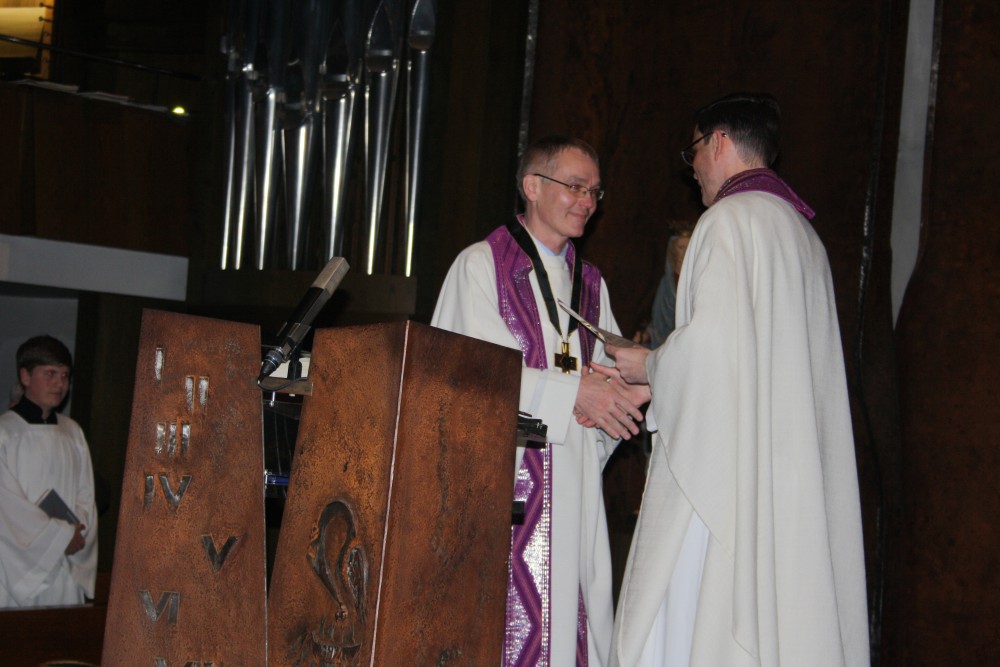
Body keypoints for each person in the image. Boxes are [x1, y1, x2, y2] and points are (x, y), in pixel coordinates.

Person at [603, 94, 869, 666]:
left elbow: (710, 351)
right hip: (789, 476)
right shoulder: (804, 236)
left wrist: (649, 365)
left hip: (731, 479)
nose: (692, 168)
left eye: (694, 152)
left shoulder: (727, 221)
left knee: (703, 624)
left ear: (718, 142)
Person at [432, 135, 650, 666]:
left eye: (594, 192)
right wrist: (574, 393)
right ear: (532, 186)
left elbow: (608, 384)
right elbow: (466, 378)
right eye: (575, 187)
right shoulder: (481, 266)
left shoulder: (591, 285)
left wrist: (620, 397)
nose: (587, 202)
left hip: (575, 492)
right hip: (502, 494)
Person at [0, 335, 98, 608]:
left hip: (65, 565)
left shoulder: (72, 433)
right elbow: (6, 507)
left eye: (65, 375)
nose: (60, 384)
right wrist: (59, 538)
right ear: (25, 376)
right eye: (50, 374)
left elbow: (86, 494)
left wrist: (77, 532)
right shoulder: (5, 433)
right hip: (16, 567)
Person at [635, 222, 694, 348]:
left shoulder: (697, 283)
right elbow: (659, 325)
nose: (684, 253)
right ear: (673, 249)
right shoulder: (667, 284)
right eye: (680, 247)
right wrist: (647, 336)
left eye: (688, 248)